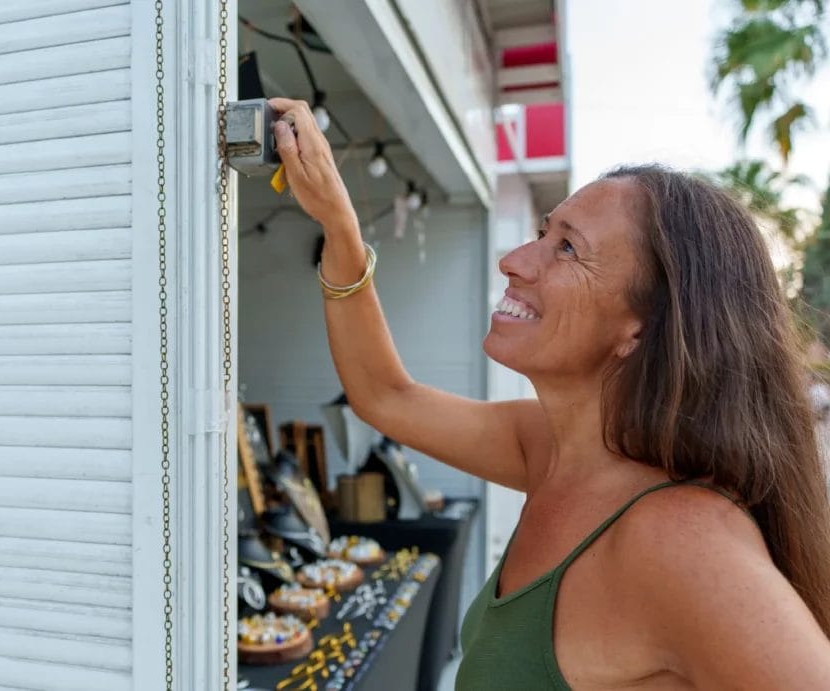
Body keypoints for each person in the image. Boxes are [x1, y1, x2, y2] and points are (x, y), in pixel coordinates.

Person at [268, 97, 830, 689]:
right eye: (543, 232)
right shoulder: (552, 449)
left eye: (567, 248)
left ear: (639, 328)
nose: (513, 262)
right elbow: (388, 397)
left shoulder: (681, 540)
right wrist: (339, 225)